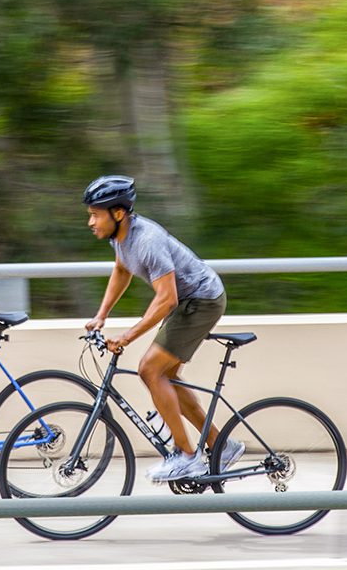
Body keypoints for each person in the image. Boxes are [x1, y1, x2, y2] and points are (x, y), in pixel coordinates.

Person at [82, 175, 245, 483]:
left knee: (149, 370)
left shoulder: (146, 241)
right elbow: (121, 270)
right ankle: (221, 445)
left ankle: (187, 457)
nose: (90, 222)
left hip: (201, 300)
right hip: (187, 302)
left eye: (95, 214)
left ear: (118, 213)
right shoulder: (121, 238)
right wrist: (101, 314)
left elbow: (166, 299)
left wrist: (127, 337)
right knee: (165, 375)